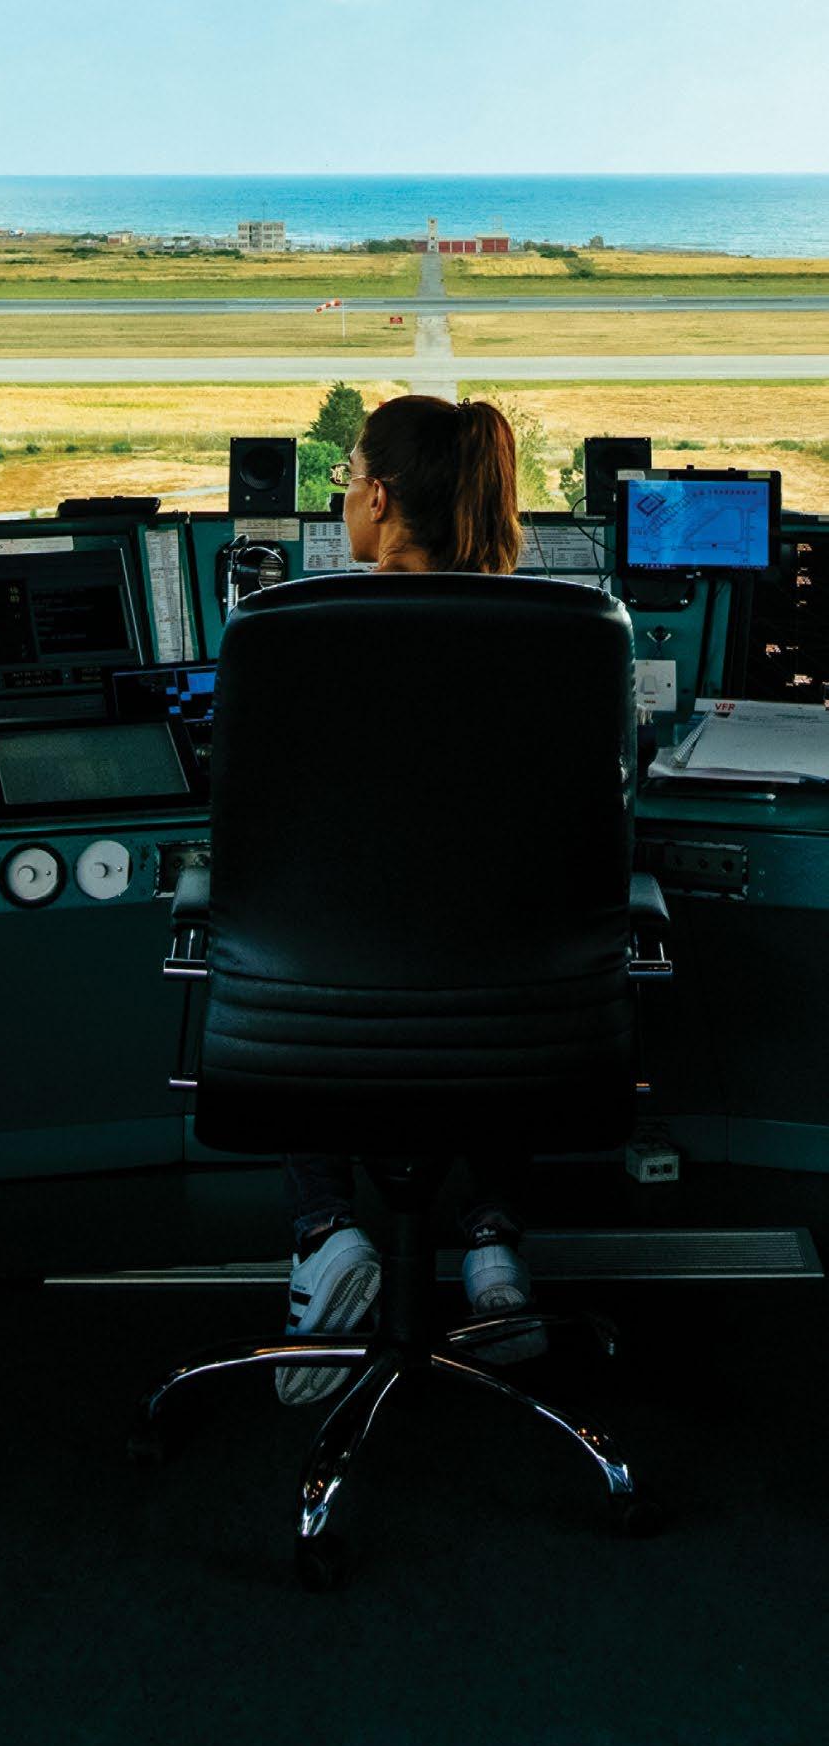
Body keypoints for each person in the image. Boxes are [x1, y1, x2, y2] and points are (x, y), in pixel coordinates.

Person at [277, 394, 546, 1405]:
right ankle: (491, 1245)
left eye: (347, 478)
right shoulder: (557, 637)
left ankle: (323, 1231)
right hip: (508, 1011)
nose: (345, 497)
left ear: (379, 499)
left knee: (281, 932)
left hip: (336, 1007)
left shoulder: (296, 634)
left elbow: (258, 832)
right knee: (507, 938)